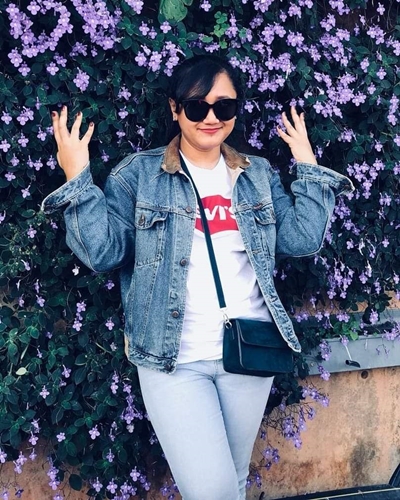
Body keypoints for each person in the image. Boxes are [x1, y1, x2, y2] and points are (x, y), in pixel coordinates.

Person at [42, 55, 353, 500]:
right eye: (196, 107)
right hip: (174, 357)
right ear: (174, 109)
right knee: (213, 491)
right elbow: (103, 252)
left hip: (248, 350)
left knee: (234, 481)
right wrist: (77, 177)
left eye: (224, 107)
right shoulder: (139, 175)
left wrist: (307, 164)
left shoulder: (256, 174)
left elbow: (301, 238)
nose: (211, 118)